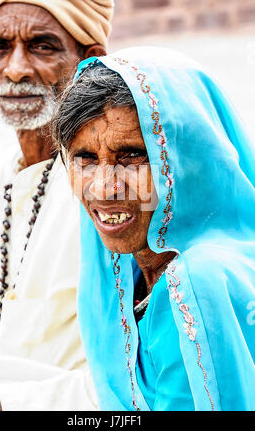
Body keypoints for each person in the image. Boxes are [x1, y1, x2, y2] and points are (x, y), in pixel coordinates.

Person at [54, 47, 255, 411]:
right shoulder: (125, 267)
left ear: (185, 161)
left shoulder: (199, 281)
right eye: (84, 158)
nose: (102, 187)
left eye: (131, 155)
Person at [0, 0, 113, 411]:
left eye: (42, 47)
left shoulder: (119, 184)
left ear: (90, 60)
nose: (17, 69)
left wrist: (8, 402)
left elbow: (149, 370)